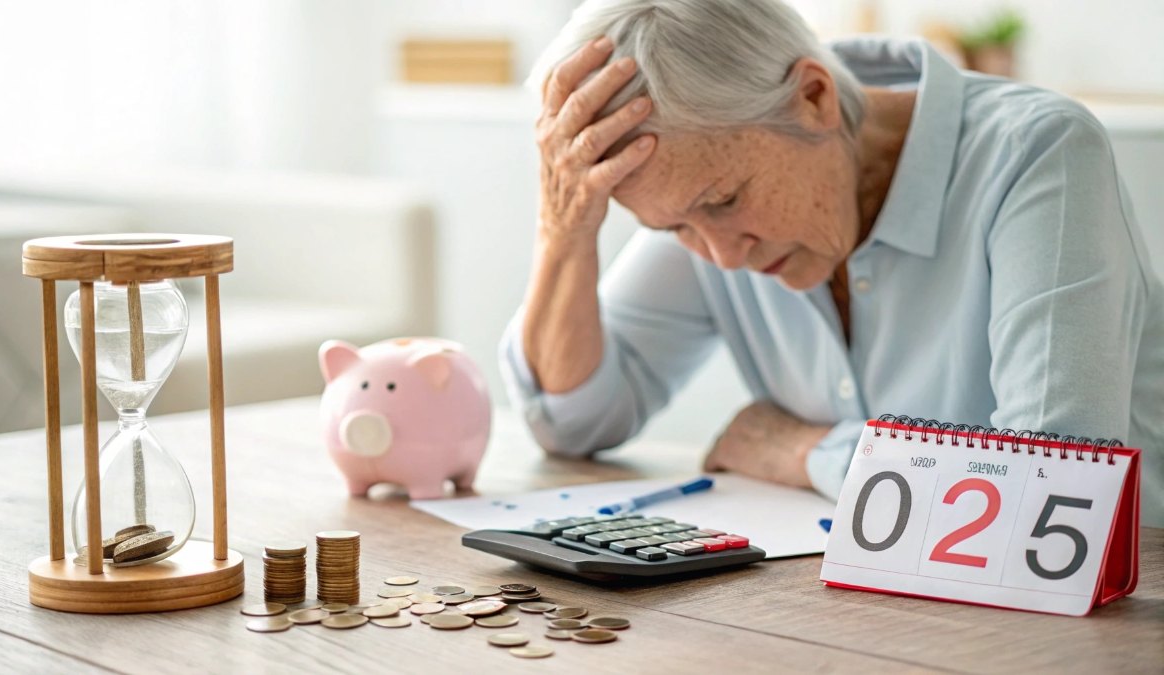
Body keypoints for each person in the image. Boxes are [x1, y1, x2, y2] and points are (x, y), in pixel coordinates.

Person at [498, 0, 1164, 526]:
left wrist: (801, 450)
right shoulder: (704, 189)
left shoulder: (1034, 154)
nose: (723, 256)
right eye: (671, 228)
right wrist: (565, 228)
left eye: (727, 200)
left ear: (813, 97)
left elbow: (1053, 495)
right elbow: (573, 420)